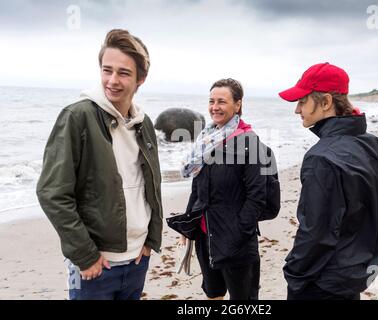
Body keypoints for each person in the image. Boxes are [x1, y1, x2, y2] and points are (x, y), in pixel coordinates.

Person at [36, 29, 163, 300]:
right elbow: (52, 193)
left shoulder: (145, 123)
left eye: (124, 73)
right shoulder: (77, 117)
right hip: (96, 266)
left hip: (137, 260)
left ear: (141, 79)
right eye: (107, 70)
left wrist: (151, 240)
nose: (113, 80)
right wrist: (84, 256)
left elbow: (151, 184)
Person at [278, 62, 378, 300]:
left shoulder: (321, 157)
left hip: (322, 282)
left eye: (302, 101)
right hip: (356, 274)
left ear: (325, 102)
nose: (297, 110)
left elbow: (316, 232)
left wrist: (294, 274)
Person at [179, 78, 272, 300]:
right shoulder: (207, 139)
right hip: (205, 233)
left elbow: (257, 197)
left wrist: (238, 232)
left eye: (222, 101)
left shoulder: (249, 142)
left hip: (236, 240)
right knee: (213, 293)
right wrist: (189, 223)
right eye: (211, 101)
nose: (214, 107)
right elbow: (198, 186)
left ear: (237, 105)